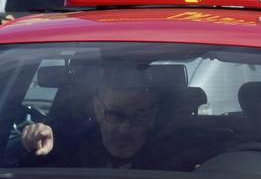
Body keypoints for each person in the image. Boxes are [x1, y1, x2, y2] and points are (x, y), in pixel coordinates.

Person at [21, 65, 160, 169]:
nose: (125, 130)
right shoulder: (69, 147)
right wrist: (36, 142)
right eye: (115, 115)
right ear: (98, 110)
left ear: (152, 118)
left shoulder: (174, 164)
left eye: (139, 117)